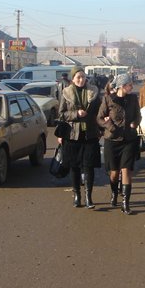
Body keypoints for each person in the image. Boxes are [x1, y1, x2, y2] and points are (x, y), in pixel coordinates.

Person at [97, 74, 141, 214]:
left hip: (129, 140)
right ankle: (114, 192)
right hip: (112, 140)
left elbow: (138, 115)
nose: (132, 87)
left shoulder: (133, 98)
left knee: (126, 170)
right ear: (122, 86)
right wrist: (110, 126)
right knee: (114, 173)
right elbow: (99, 118)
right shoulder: (108, 99)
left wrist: (135, 122)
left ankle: (125, 203)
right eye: (129, 84)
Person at [58, 66, 102, 209]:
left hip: (90, 134)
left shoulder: (94, 92)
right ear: (73, 79)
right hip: (72, 135)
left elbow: (100, 112)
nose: (81, 80)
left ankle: (89, 197)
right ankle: (77, 196)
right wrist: (76, 114)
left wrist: (102, 126)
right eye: (78, 77)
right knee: (75, 167)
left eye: (83, 77)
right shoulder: (66, 93)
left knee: (89, 166)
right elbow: (61, 114)